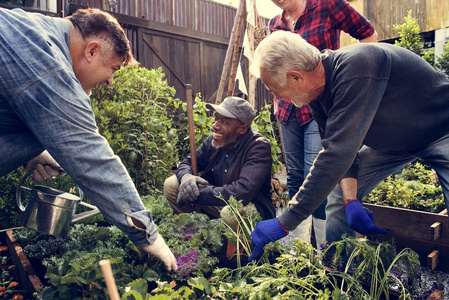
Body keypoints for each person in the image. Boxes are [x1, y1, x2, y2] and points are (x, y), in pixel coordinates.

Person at [247, 30, 449, 261]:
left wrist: (286, 221)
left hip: (442, 129)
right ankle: (337, 273)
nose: (278, 98)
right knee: (338, 193)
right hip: (396, 146)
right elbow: (342, 153)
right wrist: (350, 201)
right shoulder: (317, 97)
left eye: (275, 90)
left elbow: (336, 155)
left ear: (296, 77)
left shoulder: (358, 66)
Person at [0, 7, 177, 271]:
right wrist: (148, 235)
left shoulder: (27, 31)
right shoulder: (47, 64)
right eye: (113, 69)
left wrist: (32, 151)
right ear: (92, 51)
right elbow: (91, 156)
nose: (110, 81)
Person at [268, 0, 378, 247]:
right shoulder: (275, 23)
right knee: (295, 176)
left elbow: (368, 35)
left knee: (319, 172)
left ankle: (324, 248)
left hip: (321, 106)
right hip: (288, 109)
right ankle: (300, 247)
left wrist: (356, 82)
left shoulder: (328, 5)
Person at [164, 96, 276, 234]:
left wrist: (196, 193)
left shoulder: (258, 147)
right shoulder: (215, 140)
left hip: (249, 207)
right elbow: (187, 162)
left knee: (230, 213)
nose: (215, 126)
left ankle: (246, 246)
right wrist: (186, 177)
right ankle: (196, 234)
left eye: (224, 122)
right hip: (219, 199)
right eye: (216, 118)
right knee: (171, 184)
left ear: (242, 128)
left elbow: (241, 192)